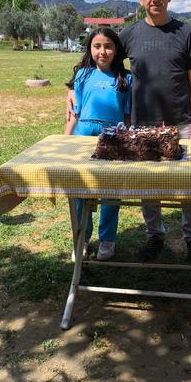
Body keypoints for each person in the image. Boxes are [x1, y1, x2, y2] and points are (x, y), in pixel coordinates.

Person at [118, 0, 191, 265]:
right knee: (148, 186)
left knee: (189, 185)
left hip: (182, 123)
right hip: (143, 125)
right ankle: (154, 235)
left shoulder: (185, 32)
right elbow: (101, 61)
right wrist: (73, 87)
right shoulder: (129, 34)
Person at [64, 28, 132, 260]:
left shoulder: (126, 79)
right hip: (83, 136)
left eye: (108, 46)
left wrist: (128, 142)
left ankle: (107, 239)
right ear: (90, 49)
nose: (103, 51)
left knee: (111, 191)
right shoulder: (82, 75)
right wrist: (66, 139)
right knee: (79, 189)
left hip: (113, 138)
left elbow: (128, 116)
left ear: (116, 50)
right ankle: (81, 238)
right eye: (97, 46)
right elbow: (75, 113)